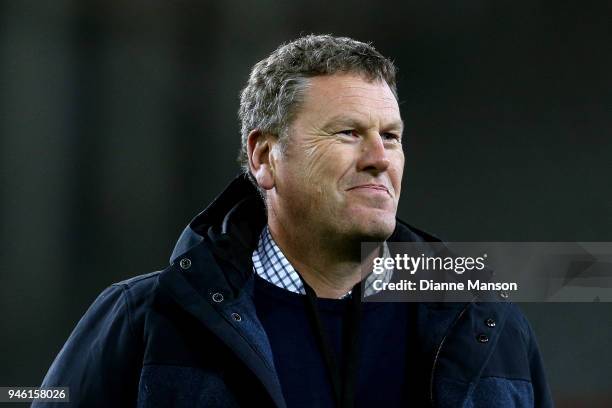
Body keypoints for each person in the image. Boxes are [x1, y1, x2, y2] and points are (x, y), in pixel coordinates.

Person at [36, 35, 553, 407]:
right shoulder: (145, 319)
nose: (380, 157)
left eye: (391, 136)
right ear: (264, 157)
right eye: (348, 132)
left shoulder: (489, 325)